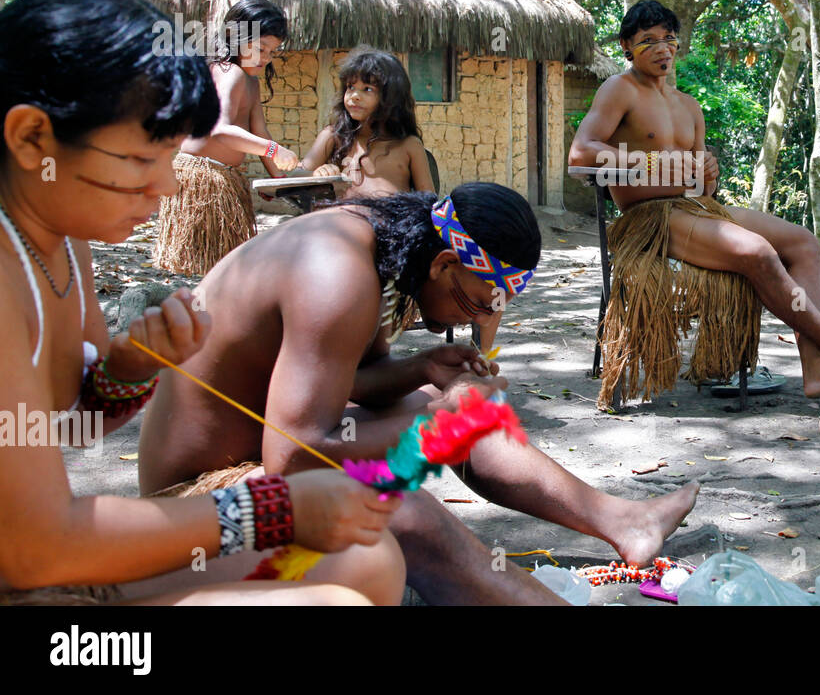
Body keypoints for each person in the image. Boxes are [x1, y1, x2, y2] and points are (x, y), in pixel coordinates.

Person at [0, 0, 404, 605]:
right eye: (139, 160)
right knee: (332, 598)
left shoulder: (62, 245)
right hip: (35, 566)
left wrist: (131, 371)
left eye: (167, 156)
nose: (166, 185)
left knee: (365, 559)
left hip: (42, 563)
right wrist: (272, 506)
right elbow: (36, 546)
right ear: (32, 140)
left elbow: (63, 431)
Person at [138, 182, 700, 604]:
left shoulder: (381, 242)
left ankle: (623, 521)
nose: (479, 322)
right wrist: (436, 420)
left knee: (469, 417)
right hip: (197, 502)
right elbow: (290, 454)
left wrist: (423, 369)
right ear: (445, 262)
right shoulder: (336, 272)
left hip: (263, 451)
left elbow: (351, 378)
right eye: (478, 304)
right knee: (404, 512)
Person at [568, 0, 820, 406]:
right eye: (648, 41)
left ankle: (817, 366)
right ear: (627, 46)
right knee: (756, 251)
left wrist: (705, 173)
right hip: (651, 218)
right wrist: (656, 162)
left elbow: (701, 191)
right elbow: (580, 154)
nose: (662, 48)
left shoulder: (688, 106)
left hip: (695, 209)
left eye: (668, 38)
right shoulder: (618, 89)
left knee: (803, 243)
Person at [154, 0, 300, 276]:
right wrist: (273, 151)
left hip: (225, 180)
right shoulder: (228, 71)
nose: (267, 57)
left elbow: (260, 131)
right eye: (261, 48)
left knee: (221, 270)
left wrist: (280, 181)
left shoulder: (251, 82)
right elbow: (219, 130)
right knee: (202, 271)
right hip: (204, 178)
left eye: (272, 51)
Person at [298, 48, 435, 199]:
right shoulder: (333, 136)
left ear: (391, 97)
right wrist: (317, 174)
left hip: (391, 220)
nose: (355, 96)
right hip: (343, 219)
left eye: (367, 89)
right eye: (350, 87)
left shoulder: (409, 145)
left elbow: (428, 201)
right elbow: (295, 177)